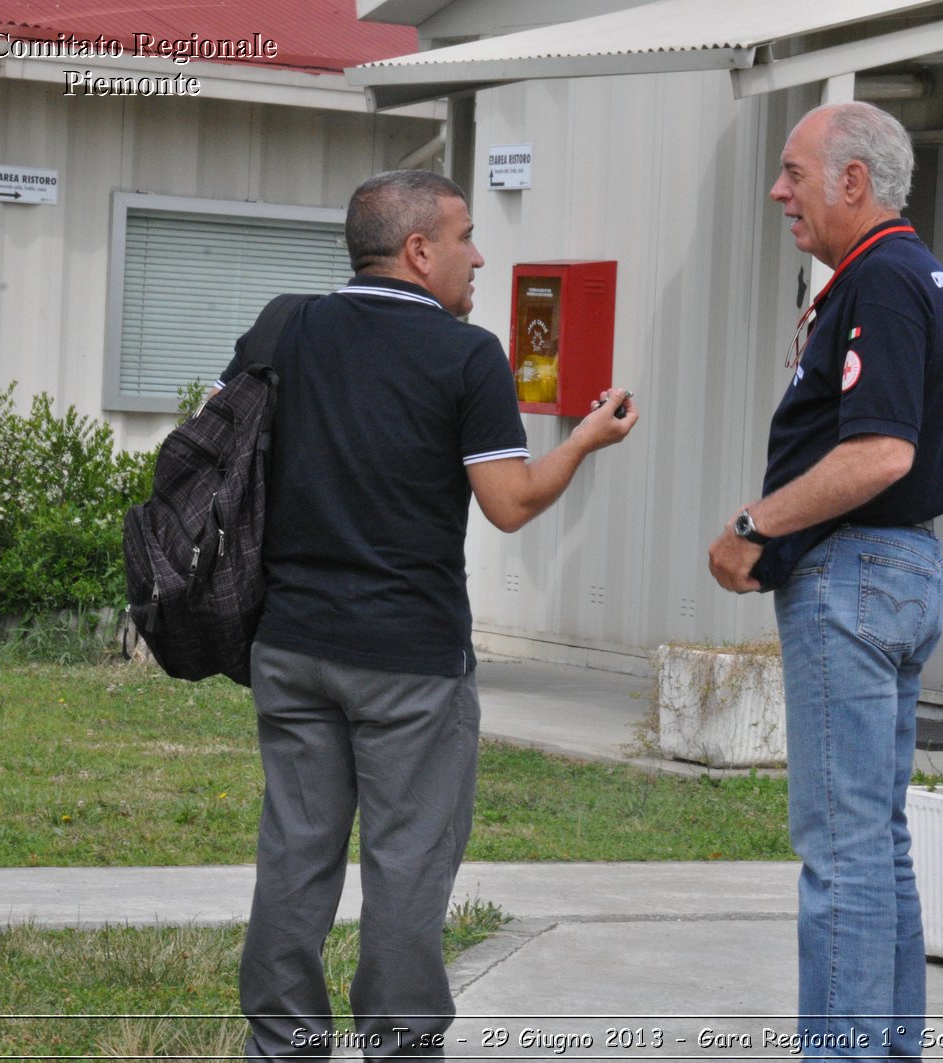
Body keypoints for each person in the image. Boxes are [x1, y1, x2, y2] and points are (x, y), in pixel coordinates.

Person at [227, 169, 638, 1060]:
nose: (479, 255)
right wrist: (586, 437)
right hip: (410, 661)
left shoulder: (284, 327)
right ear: (418, 250)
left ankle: (281, 1046)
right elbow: (510, 501)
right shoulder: (466, 355)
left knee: (295, 856)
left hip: (291, 644)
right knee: (408, 865)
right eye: (464, 237)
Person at [707, 101, 943, 1059]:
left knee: (843, 851)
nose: (780, 190)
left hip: (855, 569)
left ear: (853, 182)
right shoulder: (926, 276)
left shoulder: (884, 283)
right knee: (879, 843)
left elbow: (878, 455)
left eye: (794, 172)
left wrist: (751, 525)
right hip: (902, 569)